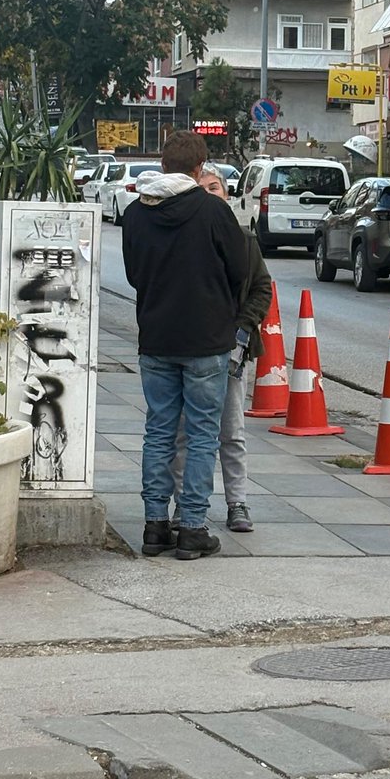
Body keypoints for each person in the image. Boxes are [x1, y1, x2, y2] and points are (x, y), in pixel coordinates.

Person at [122, 131, 249, 561]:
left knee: (158, 431)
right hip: (207, 341)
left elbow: (134, 275)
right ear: (200, 169)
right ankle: (193, 527)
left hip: (156, 338)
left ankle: (155, 527)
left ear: (161, 165)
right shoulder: (213, 210)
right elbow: (240, 270)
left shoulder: (135, 214)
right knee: (201, 435)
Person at [170, 163, 272, 533]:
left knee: (231, 431)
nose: (210, 194)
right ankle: (184, 506)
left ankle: (237, 503)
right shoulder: (186, 239)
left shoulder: (244, 240)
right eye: (203, 188)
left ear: (226, 195)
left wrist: (242, 332)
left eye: (216, 188)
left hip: (231, 351)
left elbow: (262, 287)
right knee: (185, 433)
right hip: (193, 348)